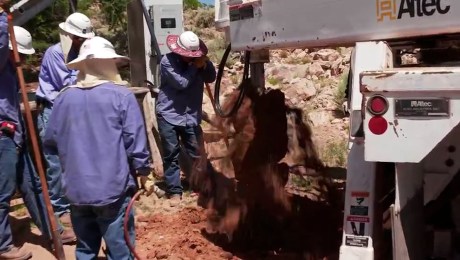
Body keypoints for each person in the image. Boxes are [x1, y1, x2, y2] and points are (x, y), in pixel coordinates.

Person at [43, 36, 151, 259]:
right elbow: (135, 140)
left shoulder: (63, 99)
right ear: (109, 64)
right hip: (112, 189)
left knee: (85, 248)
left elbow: (51, 141)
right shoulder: (122, 96)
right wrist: (142, 171)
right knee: (120, 248)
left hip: (76, 190)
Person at [0, 12, 74, 260]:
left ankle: (54, 230)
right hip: (2, 135)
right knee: (2, 192)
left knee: (33, 186)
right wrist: (1, 17)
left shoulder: (10, 70)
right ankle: (3, 245)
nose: (20, 58)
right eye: (17, 52)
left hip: (15, 133)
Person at [35, 12, 94, 227]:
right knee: (55, 163)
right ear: (69, 35)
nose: (82, 42)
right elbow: (68, 83)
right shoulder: (55, 53)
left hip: (74, 110)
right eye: (79, 38)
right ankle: (60, 208)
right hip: (53, 110)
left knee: (76, 159)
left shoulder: (84, 53)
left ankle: (77, 202)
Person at [156, 31, 217, 207]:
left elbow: (211, 77)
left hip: (191, 116)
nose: (189, 58)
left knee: (198, 154)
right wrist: (194, 67)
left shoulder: (199, 61)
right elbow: (181, 83)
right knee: (171, 155)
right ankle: (174, 191)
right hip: (169, 114)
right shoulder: (167, 62)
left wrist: (205, 64)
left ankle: (206, 187)